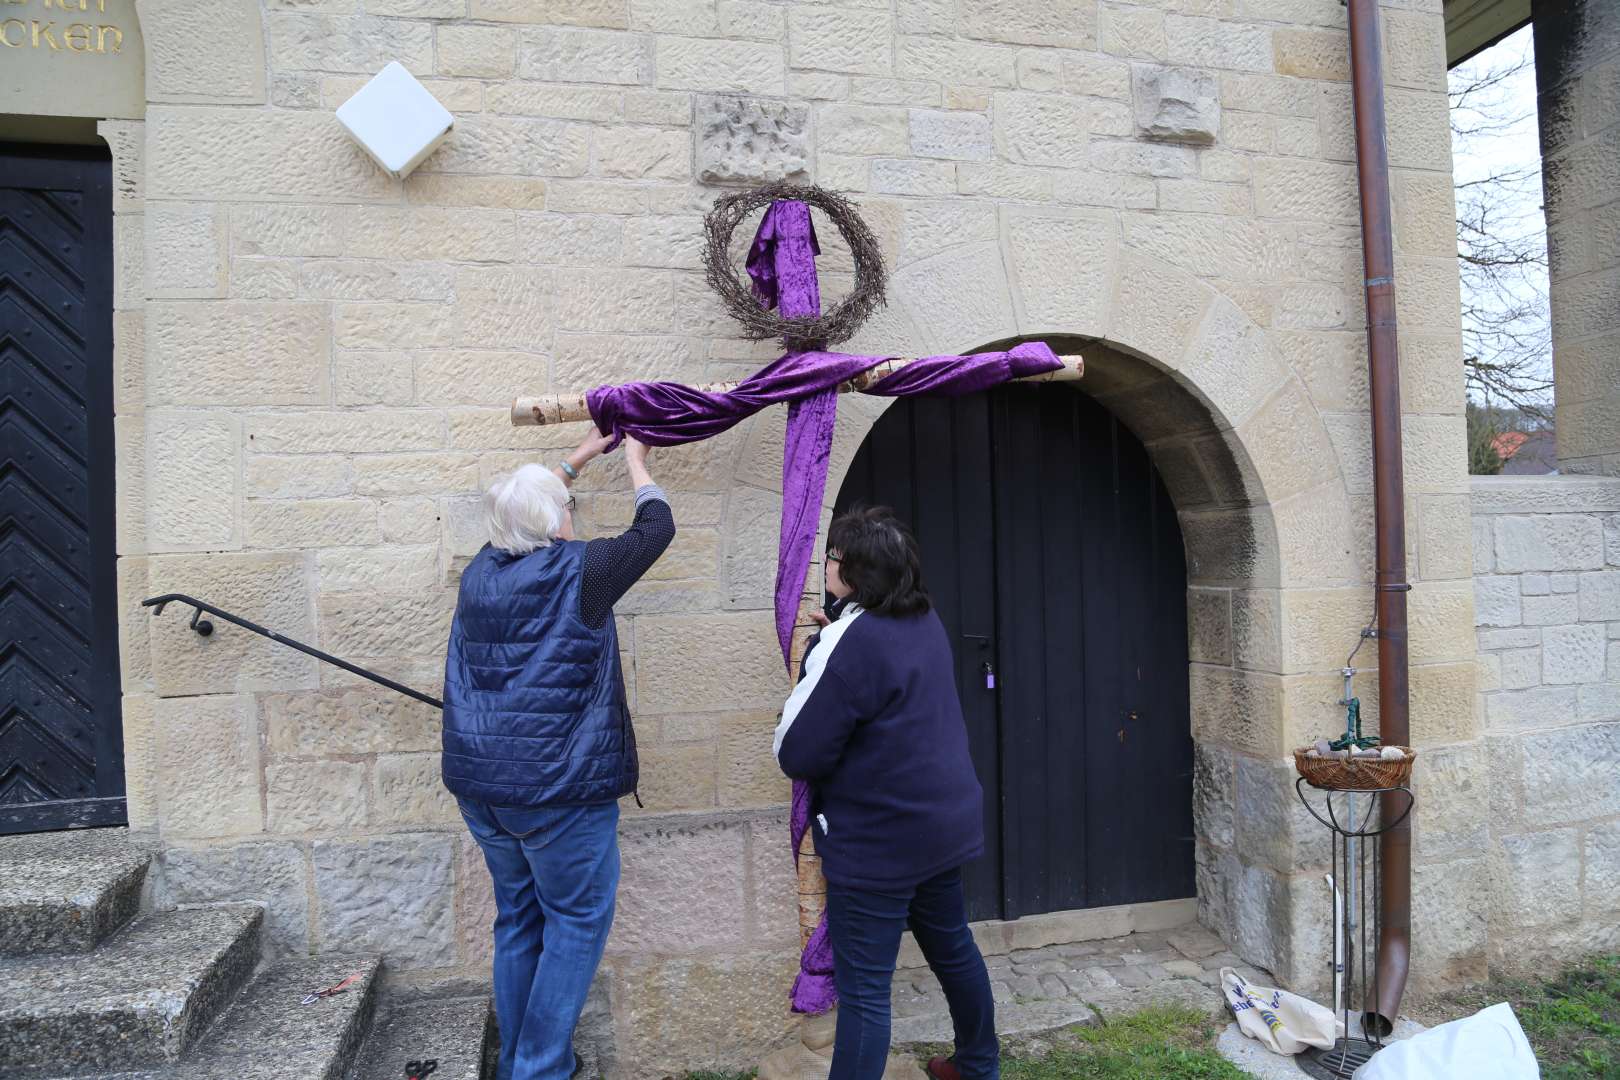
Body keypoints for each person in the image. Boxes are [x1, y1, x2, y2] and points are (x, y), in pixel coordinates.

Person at [442, 426, 672, 1080]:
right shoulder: (583, 572)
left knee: (519, 920)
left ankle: (519, 1063)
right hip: (558, 795)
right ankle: (540, 1070)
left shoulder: (481, 572)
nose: (571, 516)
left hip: (484, 793)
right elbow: (655, 529)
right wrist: (636, 463)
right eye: (566, 508)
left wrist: (576, 460)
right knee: (575, 922)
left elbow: (522, 512)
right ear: (554, 521)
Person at [773, 506, 999, 1080]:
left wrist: (819, 655)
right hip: (939, 827)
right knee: (953, 949)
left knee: (865, 993)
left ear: (857, 574)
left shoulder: (849, 645)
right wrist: (835, 635)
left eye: (833, 559)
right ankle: (979, 1067)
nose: (826, 566)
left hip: (879, 842)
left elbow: (797, 753)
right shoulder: (923, 618)